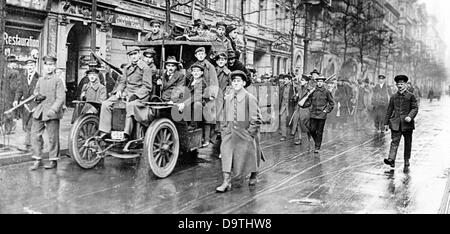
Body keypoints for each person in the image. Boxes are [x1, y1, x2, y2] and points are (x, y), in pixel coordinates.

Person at [216, 70, 262, 192]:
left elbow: (256, 119)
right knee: (226, 154)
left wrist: (250, 134)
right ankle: (226, 181)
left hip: (245, 132)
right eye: (234, 81)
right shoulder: (228, 98)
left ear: (244, 83)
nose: (236, 83)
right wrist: (224, 130)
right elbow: (224, 116)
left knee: (249, 154)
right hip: (229, 132)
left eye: (238, 81)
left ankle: (253, 174)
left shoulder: (249, 98)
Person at [97, 46, 153, 141]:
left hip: (140, 97)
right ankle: (105, 131)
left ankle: (126, 134)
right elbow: (122, 82)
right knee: (106, 104)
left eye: (135, 54)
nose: (133, 57)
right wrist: (119, 91)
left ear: (139, 54)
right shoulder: (127, 68)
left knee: (130, 106)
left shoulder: (145, 68)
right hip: (126, 93)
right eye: (131, 55)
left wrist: (135, 95)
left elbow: (147, 87)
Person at [29, 55, 66, 170]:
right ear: (43, 66)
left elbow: (60, 98)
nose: (48, 67)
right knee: (35, 135)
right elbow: (35, 93)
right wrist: (37, 97)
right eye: (46, 65)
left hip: (52, 112)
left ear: (54, 66)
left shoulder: (58, 80)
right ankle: (37, 158)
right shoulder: (40, 79)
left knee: (52, 137)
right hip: (40, 111)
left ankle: (53, 160)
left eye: (51, 65)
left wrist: (53, 110)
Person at [383, 75, 419, 171]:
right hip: (395, 124)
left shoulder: (411, 96)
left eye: (402, 84)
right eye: (398, 84)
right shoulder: (393, 97)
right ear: (396, 85)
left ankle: (406, 159)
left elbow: (415, 108)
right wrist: (386, 123)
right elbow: (389, 110)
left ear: (406, 84)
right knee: (394, 142)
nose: (400, 86)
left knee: (408, 143)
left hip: (407, 124)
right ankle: (391, 159)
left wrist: (410, 116)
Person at [302, 75, 335, 153]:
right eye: (318, 82)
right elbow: (309, 102)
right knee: (312, 130)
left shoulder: (327, 92)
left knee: (319, 131)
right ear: (316, 82)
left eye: (321, 82)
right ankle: (317, 141)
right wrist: (303, 105)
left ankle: (317, 147)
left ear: (323, 83)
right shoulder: (313, 91)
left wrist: (326, 110)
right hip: (313, 113)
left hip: (322, 115)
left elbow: (332, 103)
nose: (319, 83)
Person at [13, 59, 40, 151]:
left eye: (32, 65)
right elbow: (19, 89)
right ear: (26, 67)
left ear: (35, 66)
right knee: (25, 125)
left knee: (30, 126)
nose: (30, 67)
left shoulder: (39, 77)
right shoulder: (23, 77)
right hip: (25, 105)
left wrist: (37, 101)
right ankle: (38, 142)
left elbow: (41, 92)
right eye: (29, 66)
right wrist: (16, 99)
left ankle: (28, 145)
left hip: (35, 105)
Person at [290, 75, 311, 145]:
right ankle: (300, 139)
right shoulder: (299, 89)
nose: (301, 82)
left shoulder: (309, 90)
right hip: (299, 108)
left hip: (306, 109)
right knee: (298, 123)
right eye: (301, 80)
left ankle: (310, 138)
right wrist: (295, 97)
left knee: (307, 124)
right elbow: (297, 99)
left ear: (307, 82)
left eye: (302, 80)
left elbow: (311, 100)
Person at [279, 75, 295, 141]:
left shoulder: (293, 88)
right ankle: (283, 135)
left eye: (286, 79)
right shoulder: (282, 87)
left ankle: (292, 133)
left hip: (290, 106)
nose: (284, 81)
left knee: (290, 120)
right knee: (282, 120)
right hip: (283, 106)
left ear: (289, 80)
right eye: (284, 79)